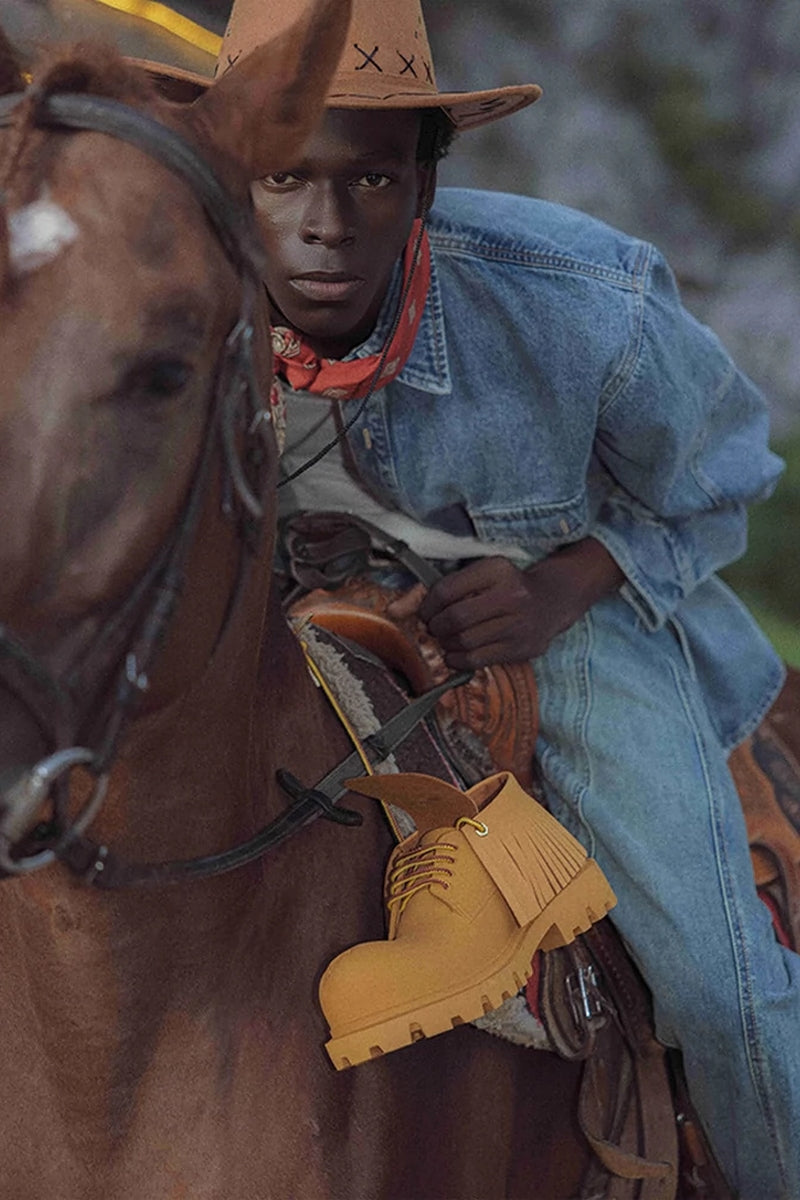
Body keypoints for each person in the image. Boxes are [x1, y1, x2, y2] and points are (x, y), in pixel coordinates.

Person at [160, 1, 799, 1195]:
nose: (323, 225)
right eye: (283, 176)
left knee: (719, 987)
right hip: (288, 621)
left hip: (569, 627)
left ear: (424, 182)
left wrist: (563, 586)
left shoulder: (580, 299)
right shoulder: (168, 303)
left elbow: (723, 483)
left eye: (370, 181)